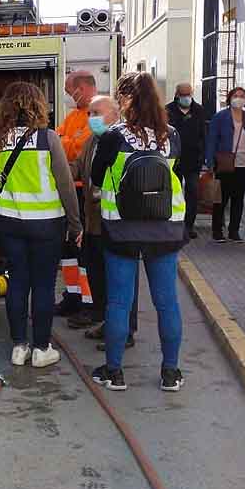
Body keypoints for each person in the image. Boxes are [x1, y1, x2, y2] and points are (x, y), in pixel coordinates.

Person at [90, 72, 187, 392]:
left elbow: (96, 176)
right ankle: (170, 372)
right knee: (167, 302)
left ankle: (114, 372)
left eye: (120, 96)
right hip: (164, 227)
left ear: (127, 99)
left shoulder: (113, 136)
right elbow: (179, 171)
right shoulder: (171, 134)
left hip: (121, 227)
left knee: (119, 302)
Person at [0, 82, 82, 367]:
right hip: (47, 225)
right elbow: (65, 185)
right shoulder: (47, 138)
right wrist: (76, 225)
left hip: (9, 223)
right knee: (43, 285)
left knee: (17, 282)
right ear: (37, 105)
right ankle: (41, 349)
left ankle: (18, 347)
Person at [74, 96, 139, 350]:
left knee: (120, 282)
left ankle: (125, 331)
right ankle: (106, 323)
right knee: (98, 279)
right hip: (93, 224)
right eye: (90, 113)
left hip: (116, 225)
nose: (92, 119)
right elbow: (78, 168)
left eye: (97, 113)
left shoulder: (123, 141)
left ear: (114, 114)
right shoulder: (92, 141)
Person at [55, 70, 97, 318]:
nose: (70, 96)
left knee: (85, 251)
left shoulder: (97, 114)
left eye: (72, 91)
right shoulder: (73, 117)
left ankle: (89, 303)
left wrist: (66, 141)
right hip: (71, 192)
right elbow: (60, 142)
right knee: (69, 250)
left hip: (87, 196)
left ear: (82, 87)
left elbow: (78, 148)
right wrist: (68, 141)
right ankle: (72, 297)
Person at [205, 87, 245, 243]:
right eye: (235, 96)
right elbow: (211, 140)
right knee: (221, 197)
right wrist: (210, 161)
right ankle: (217, 230)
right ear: (229, 98)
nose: (238, 98)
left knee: (238, 198)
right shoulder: (220, 117)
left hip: (244, 162)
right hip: (224, 161)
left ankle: (234, 230)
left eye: (241, 96)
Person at [166, 82, 206, 239]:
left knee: (193, 192)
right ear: (177, 94)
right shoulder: (168, 110)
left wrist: (204, 156)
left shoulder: (199, 110)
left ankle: (189, 226)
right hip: (173, 159)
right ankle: (172, 223)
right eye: (182, 94)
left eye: (188, 94)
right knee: (171, 192)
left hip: (193, 159)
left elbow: (203, 133)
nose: (185, 97)